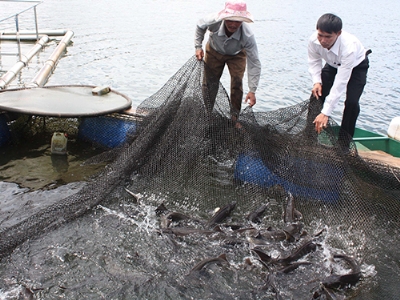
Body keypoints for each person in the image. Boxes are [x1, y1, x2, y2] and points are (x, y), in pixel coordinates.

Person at [308, 13, 370, 145]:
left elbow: (340, 83)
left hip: (356, 66)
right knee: (317, 94)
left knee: (352, 103)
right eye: (320, 35)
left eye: (328, 37)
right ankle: (309, 138)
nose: (323, 40)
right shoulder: (313, 40)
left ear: (339, 33)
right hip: (332, 65)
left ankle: (344, 144)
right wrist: (317, 81)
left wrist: (326, 112)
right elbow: (314, 61)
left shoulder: (349, 48)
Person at [194, 1, 261, 120]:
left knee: (237, 82)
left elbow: (254, 62)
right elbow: (200, 26)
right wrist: (198, 47)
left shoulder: (248, 36)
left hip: (237, 54)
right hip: (214, 50)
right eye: (230, 20)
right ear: (224, 18)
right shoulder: (214, 21)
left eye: (238, 21)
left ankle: (234, 118)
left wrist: (252, 90)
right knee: (209, 83)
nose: (233, 24)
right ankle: (206, 114)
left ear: (242, 21)